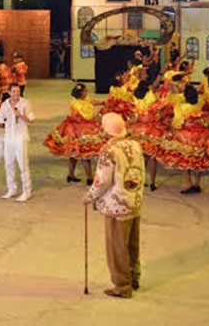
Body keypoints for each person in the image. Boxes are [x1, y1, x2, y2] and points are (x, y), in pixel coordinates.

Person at [83, 113, 145, 299]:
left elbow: (102, 180)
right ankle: (134, 277)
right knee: (132, 244)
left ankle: (122, 286)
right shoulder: (135, 145)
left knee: (116, 247)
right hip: (134, 201)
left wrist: (90, 196)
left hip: (116, 205)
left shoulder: (109, 150)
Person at [0, 83, 35, 202]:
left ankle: (27, 191)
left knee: (22, 164)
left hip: (20, 137)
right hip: (8, 137)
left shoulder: (25, 103)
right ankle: (12, 188)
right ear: (9, 92)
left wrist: (21, 115)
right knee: (8, 164)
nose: (16, 94)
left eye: (18, 91)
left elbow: (31, 119)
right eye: (14, 92)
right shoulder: (5, 105)